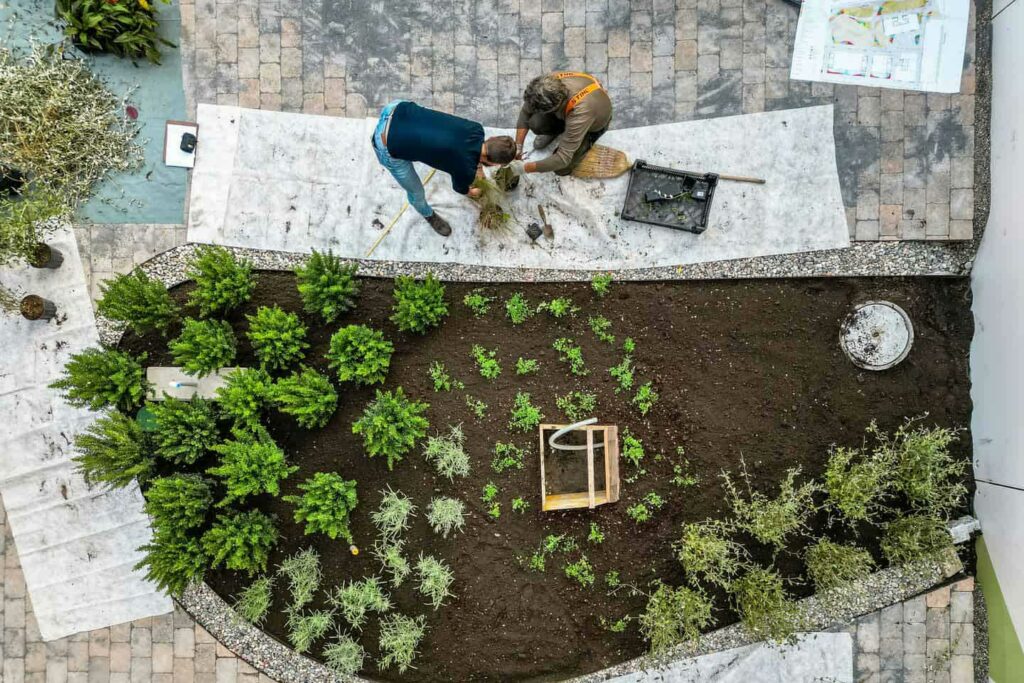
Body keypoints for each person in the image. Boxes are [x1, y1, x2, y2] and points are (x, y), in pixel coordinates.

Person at [372, 100, 518, 236]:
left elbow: (473, 150)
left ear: (492, 139)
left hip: (397, 108)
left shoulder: (476, 129)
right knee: (416, 192)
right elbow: (460, 188)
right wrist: (472, 191)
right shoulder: (465, 171)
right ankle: (428, 214)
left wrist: (477, 167)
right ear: (493, 164)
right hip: (385, 143)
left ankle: (412, 146)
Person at [507, 71, 613, 178]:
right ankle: (556, 130)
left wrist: (524, 168)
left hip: (591, 125)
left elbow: (563, 158)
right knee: (536, 123)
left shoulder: (581, 113)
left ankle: (586, 143)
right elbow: (526, 112)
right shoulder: (546, 85)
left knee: (561, 168)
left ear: (554, 109)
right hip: (567, 111)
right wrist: (518, 146)